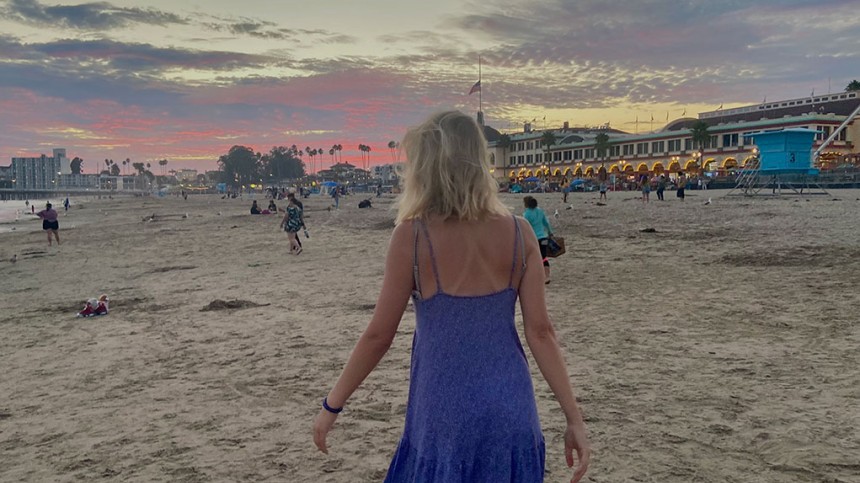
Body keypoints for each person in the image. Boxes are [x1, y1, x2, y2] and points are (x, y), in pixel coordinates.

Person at [312, 110, 590, 482]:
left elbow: (379, 335)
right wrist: (573, 417)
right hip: (511, 410)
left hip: (443, 415)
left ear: (425, 167)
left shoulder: (410, 237)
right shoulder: (521, 234)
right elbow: (541, 333)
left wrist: (333, 405)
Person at [523, 196, 553, 284]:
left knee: (533, 257)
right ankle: (547, 276)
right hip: (543, 237)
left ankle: (536, 275)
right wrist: (550, 232)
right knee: (543, 257)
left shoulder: (527, 214)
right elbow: (546, 223)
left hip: (533, 238)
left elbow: (525, 227)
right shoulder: (540, 211)